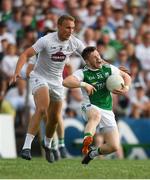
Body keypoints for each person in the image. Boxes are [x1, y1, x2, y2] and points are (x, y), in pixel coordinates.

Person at [10, 15, 85, 163]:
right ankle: (26, 147)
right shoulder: (46, 40)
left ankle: (48, 143)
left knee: (55, 118)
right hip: (40, 77)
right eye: (67, 27)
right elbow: (26, 54)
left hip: (57, 82)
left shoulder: (74, 43)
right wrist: (17, 71)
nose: (70, 31)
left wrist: (112, 69)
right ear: (59, 26)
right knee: (42, 109)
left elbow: (91, 56)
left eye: (72, 28)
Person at [63, 46, 131, 164]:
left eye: (99, 56)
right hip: (90, 106)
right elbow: (66, 82)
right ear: (87, 61)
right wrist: (84, 84)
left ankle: (92, 153)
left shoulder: (108, 68)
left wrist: (126, 88)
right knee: (96, 115)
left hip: (108, 109)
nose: (99, 59)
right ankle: (87, 140)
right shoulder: (83, 73)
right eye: (95, 58)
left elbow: (127, 76)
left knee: (114, 146)